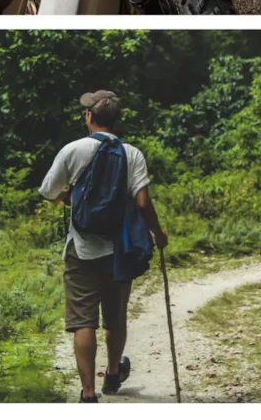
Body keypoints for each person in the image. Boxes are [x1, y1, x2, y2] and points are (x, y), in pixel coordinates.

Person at [39, 91, 168, 403]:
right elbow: (142, 202)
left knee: (83, 321)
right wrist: (158, 234)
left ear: (89, 117)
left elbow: (47, 191)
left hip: (80, 249)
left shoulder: (73, 150)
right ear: (115, 120)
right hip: (119, 250)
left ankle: (88, 394)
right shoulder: (132, 154)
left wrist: (68, 197)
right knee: (115, 316)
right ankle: (112, 374)